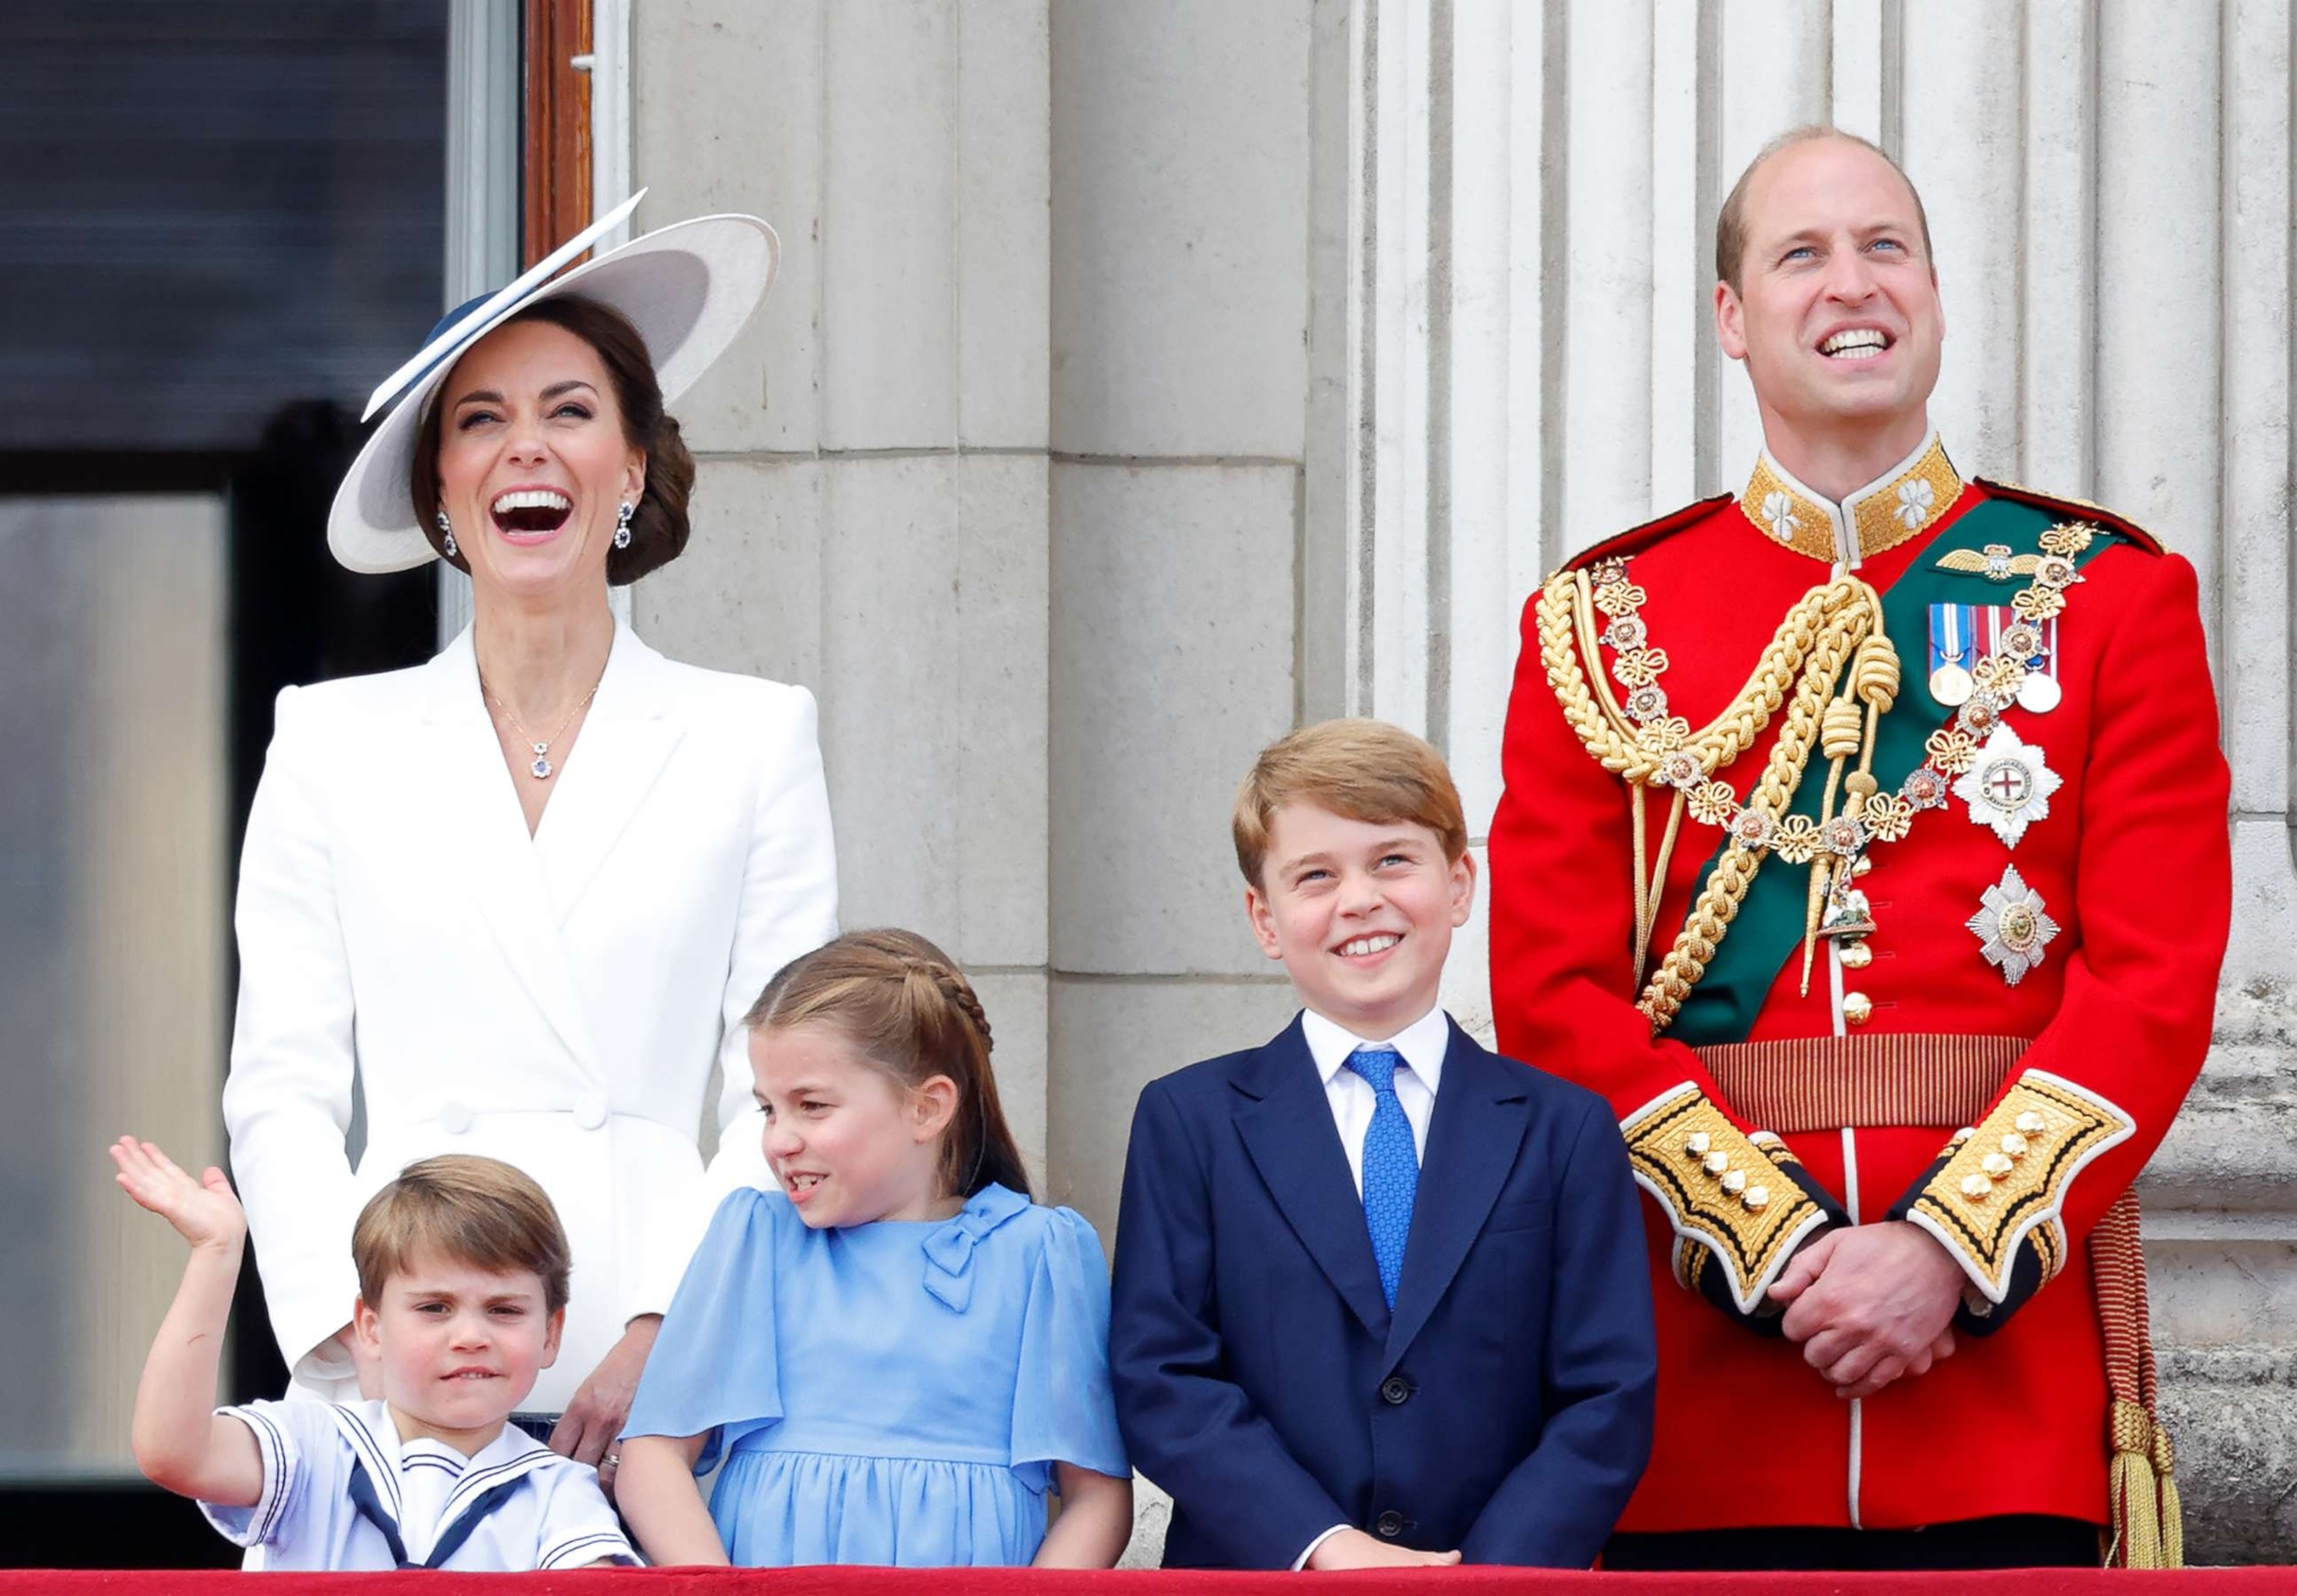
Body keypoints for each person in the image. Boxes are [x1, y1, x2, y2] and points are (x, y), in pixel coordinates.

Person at [1488, 126, 2230, 1571]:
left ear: (1936, 297)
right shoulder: (1598, 624)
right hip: (1696, 1411)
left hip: (1996, 1399)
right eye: (1802, 254)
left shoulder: (2106, 601)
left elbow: (2150, 983)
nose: (1853, 285)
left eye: (1886, 247)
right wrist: (1780, 1256)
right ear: (1731, 317)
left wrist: (1944, 1253)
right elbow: (1552, 998)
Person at [223, 194, 839, 1491]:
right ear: (439, 487)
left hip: (655, 1365)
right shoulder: (330, 739)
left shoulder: (751, 735)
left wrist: (670, 1329)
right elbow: (280, 1085)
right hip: (400, 1344)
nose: (527, 452)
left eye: (569, 412)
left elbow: (781, 1086)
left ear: (630, 466)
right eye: (480, 421)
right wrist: (353, 1329)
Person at [1109, 718, 1657, 1571]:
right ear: (1264, 916)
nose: (1358, 898)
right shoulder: (1191, 1121)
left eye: (1392, 859)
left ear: (1461, 882)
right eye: (1315, 875)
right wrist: (1326, 1547)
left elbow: (1606, 1393)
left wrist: (1485, 1577)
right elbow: (1164, 1375)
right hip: (1264, 1577)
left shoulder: (1565, 1127)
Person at [615, 928, 1133, 1568]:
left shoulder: (1039, 1255)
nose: (778, 1140)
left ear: (927, 1107)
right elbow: (653, 1455)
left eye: (812, 1105)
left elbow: (1097, 1496)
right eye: (768, 1110)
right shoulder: (754, 1241)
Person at [111, 1141, 635, 1571]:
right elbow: (172, 1451)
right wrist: (217, 1253)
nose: (471, 1335)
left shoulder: (559, 1488)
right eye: (435, 1307)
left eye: (503, 1310)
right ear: (370, 1327)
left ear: (550, 1333)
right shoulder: (311, 1446)